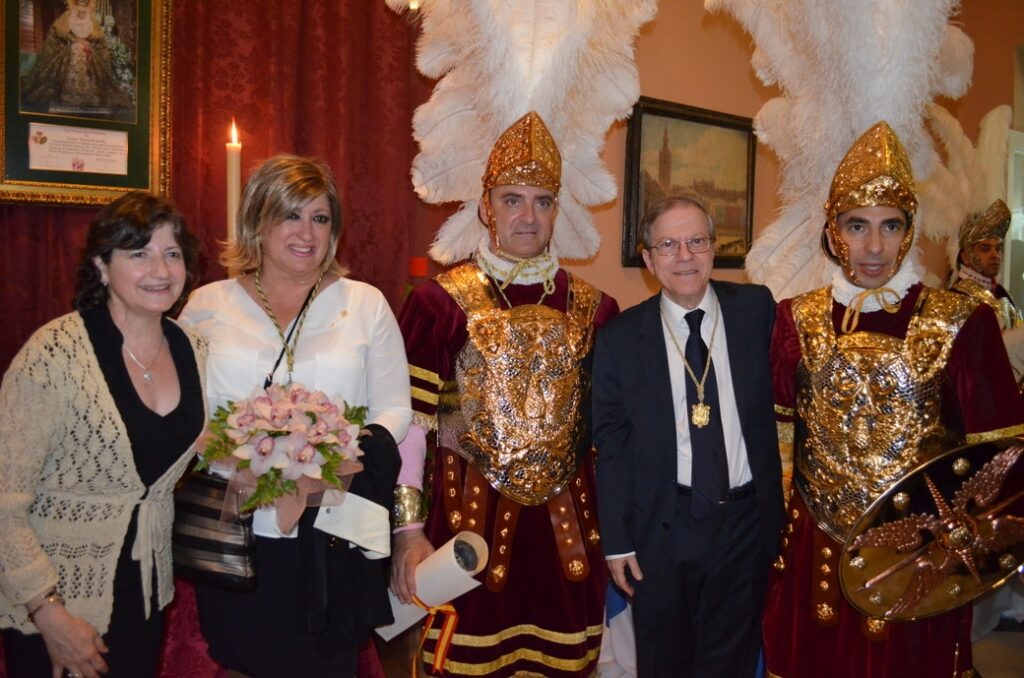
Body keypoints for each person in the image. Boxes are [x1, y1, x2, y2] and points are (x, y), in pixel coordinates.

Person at [762, 121, 1024, 678]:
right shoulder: (796, 319)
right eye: (857, 226)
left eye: (890, 225)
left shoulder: (961, 322)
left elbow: (1000, 458)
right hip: (817, 549)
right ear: (834, 230)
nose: (874, 247)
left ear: (909, 229)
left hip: (921, 554)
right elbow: (780, 441)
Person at [391, 111, 619, 676]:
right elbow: (410, 429)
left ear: (557, 210)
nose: (528, 216)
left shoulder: (597, 309)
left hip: (568, 540)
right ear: (485, 207)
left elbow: (613, 440)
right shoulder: (438, 305)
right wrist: (408, 532)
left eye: (543, 202)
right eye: (512, 199)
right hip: (466, 532)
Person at [178, 154, 411, 678]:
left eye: (320, 218)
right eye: (290, 215)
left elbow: (395, 409)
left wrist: (337, 457)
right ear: (257, 222)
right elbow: (185, 414)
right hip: (236, 528)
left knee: (326, 662)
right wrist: (235, 458)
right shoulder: (207, 305)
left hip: (333, 526)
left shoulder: (364, 303)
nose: (307, 233)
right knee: (239, 658)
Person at [0, 191, 205, 678]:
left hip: (146, 594)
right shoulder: (54, 354)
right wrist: (48, 611)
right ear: (101, 264)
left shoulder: (193, 348)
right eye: (139, 253)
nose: (160, 270)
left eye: (172, 253)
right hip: (55, 602)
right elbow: (4, 502)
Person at [592, 196, 784, 677]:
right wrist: (617, 541)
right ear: (649, 258)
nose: (684, 256)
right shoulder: (620, 338)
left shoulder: (757, 310)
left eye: (697, 241)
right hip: (663, 526)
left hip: (746, 526)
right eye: (668, 245)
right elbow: (611, 446)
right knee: (665, 663)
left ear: (714, 248)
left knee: (733, 663)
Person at [950, 198, 1024, 382]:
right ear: (966, 257)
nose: (995, 255)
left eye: (998, 249)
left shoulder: (1001, 293)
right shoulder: (956, 299)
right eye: (985, 249)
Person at [21, 0, 129, 113]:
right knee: (75, 51)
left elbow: (99, 40)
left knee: (86, 56)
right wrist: (73, 41)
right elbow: (57, 34)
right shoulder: (67, 17)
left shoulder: (91, 19)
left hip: (88, 53)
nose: (81, 12)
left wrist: (90, 46)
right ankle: (69, 94)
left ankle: (89, 97)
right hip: (70, 51)